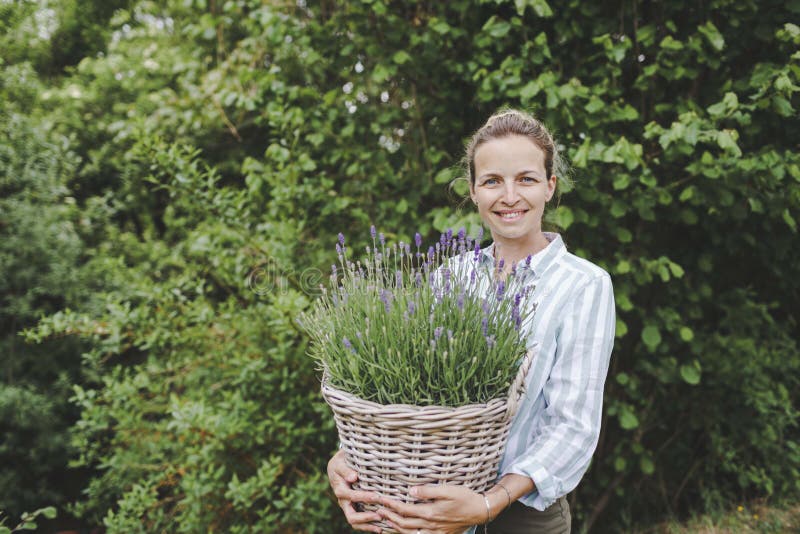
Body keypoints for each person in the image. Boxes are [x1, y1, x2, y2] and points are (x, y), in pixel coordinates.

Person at [327, 109, 616, 533]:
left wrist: (487, 503)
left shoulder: (584, 285)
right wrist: (346, 458)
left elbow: (573, 427)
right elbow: (408, 392)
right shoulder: (450, 276)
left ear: (550, 187)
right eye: (493, 181)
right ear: (474, 191)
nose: (510, 195)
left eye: (527, 179)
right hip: (427, 506)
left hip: (522, 517)